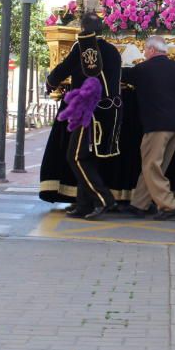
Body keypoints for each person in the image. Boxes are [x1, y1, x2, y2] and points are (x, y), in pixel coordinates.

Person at [46, 12, 123, 220]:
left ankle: (104, 199)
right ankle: (83, 205)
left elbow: (62, 69)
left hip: (89, 112)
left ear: (83, 29)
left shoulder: (82, 47)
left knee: (76, 156)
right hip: (111, 111)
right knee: (87, 158)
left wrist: (50, 82)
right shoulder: (113, 50)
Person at [122, 36, 175, 221]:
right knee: (155, 167)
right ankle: (139, 204)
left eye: (145, 50)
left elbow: (122, 75)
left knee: (150, 166)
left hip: (156, 125)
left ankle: (169, 205)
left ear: (151, 50)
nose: (144, 53)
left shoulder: (143, 69)